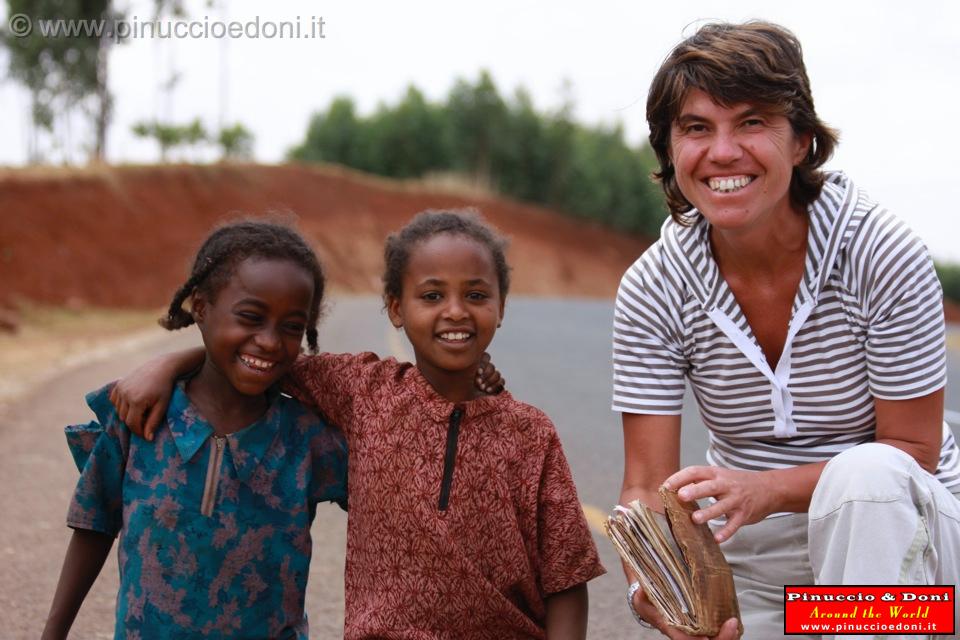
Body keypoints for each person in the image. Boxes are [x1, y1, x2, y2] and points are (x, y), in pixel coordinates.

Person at [614, 21, 960, 640]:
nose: (722, 152)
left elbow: (913, 453)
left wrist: (765, 489)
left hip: (913, 563)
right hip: (761, 569)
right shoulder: (655, 286)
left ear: (801, 140)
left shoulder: (879, 252)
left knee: (869, 475)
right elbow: (644, 485)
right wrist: (655, 579)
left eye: (752, 122)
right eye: (696, 127)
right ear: (670, 149)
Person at [112, 210, 605, 639]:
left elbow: (564, 578)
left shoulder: (530, 434)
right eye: (432, 295)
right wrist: (170, 363)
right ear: (395, 307)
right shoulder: (362, 390)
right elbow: (261, 356)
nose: (455, 310)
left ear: (501, 307)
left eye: (476, 295)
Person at [42, 221, 349, 639]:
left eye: (292, 326)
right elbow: (94, 525)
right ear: (201, 307)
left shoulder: (307, 439)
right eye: (251, 317)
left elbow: (392, 507)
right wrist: (52, 634)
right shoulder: (140, 417)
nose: (270, 341)